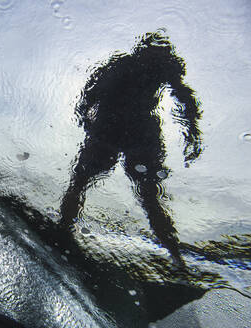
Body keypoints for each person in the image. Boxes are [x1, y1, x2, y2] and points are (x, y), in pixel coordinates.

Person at [60, 30, 203, 264]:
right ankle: (63, 230)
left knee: (148, 195)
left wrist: (192, 130)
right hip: (112, 126)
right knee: (81, 182)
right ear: (142, 51)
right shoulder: (124, 64)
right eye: (152, 53)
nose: (154, 59)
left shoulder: (163, 66)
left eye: (159, 55)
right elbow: (91, 91)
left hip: (136, 130)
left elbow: (183, 95)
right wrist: (85, 116)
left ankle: (177, 259)